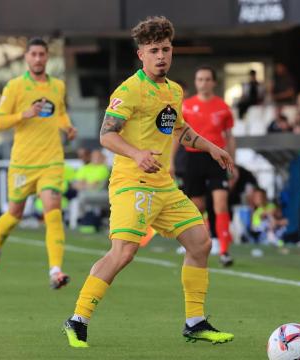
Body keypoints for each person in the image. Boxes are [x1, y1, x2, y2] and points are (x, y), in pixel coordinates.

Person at [61, 16, 235, 348]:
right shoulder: (129, 89)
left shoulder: (174, 90)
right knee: (123, 252)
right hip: (132, 183)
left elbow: (179, 129)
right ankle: (77, 319)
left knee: (200, 243)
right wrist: (137, 153)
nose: (161, 56)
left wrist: (213, 147)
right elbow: (106, 135)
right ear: (141, 54)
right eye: (154, 50)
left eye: (166, 49)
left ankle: (195, 322)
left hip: (163, 186)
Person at [0, 37, 77, 289]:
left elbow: (60, 112)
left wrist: (66, 126)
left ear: (47, 57)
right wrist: (25, 114)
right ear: (26, 57)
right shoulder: (14, 86)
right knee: (14, 215)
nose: (37, 59)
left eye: (41, 54)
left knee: (53, 211)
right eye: (33, 54)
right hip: (23, 163)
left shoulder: (57, 86)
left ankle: (55, 270)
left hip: (51, 160)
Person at [180, 65, 237, 267]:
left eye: (207, 79)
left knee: (220, 203)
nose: (203, 83)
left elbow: (229, 137)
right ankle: (198, 245)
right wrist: (169, 162)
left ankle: (224, 250)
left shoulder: (223, 107)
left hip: (217, 158)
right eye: (200, 79)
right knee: (197, 207)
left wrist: (233, 163)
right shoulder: (186, 106)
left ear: (214, 82)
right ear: (196, 83)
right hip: (194, 158)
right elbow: (176, 135)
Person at [73, 149, 111, 233]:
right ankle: (84, 220)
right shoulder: (85, 168)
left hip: (100, 193)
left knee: (82, 196)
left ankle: (86, 219)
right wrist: (86, 184)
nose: (96, 158)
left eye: (98, 157)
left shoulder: (103, 168)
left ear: (102, 158)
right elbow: (76, 184)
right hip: (86, 193)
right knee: (81, 195)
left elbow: (95, 186)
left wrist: (84, 184)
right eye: (94, 156)